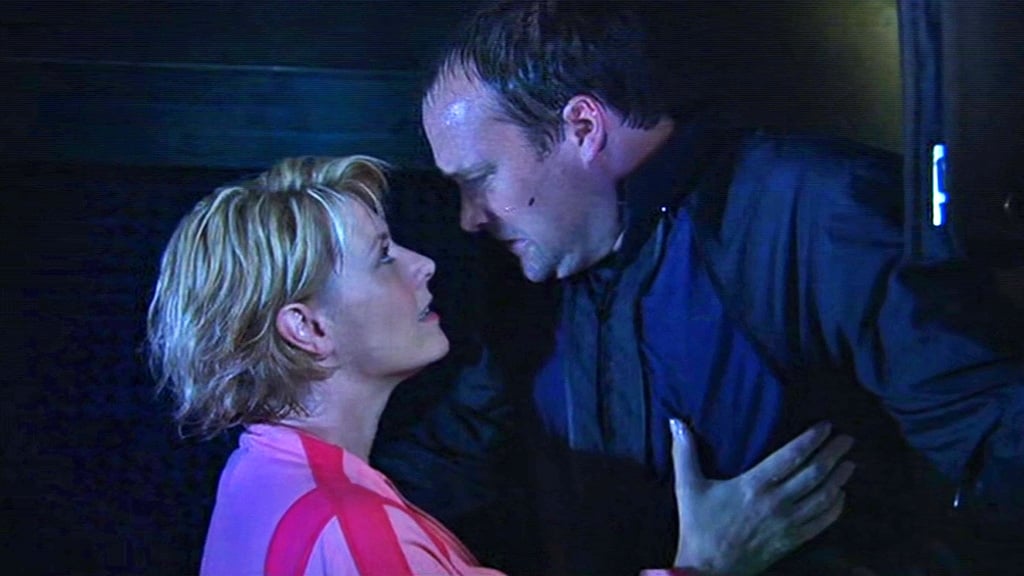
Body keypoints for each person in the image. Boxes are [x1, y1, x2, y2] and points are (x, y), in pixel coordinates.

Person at [377, 1, 1024, 575]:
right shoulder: (534, 285)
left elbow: (996, 453)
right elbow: (450, 457)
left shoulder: (816, 215)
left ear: (583, 127)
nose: (470, 217)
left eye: (479, 178)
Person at [146, 155, 839, 575]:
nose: (423, 264)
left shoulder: (262, 476)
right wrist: (707, 566)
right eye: (383, 256)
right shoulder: (350, 532)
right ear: (309, 329)